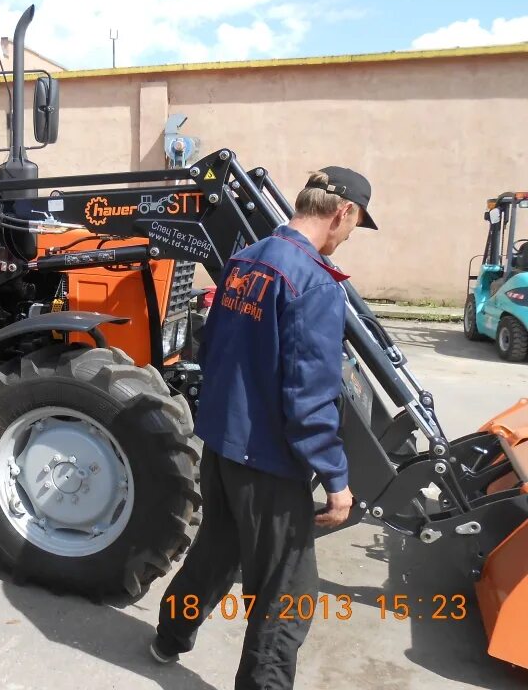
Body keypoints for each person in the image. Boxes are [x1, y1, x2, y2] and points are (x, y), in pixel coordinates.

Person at [150, 166, 378, 688]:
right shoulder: (315, 283)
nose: (346, 238)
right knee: (287, 594)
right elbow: (309, 396)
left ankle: (168, 637)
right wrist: (337, 479)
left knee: (215, 550)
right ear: (340, 212)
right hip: (271, 461)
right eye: (353, 225)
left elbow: (214, 350)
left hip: (225, 447)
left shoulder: (245, 261)